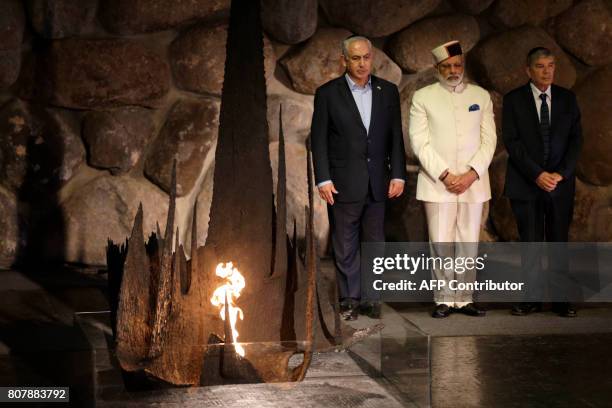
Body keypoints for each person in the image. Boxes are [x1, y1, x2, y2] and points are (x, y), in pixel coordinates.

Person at [311, 35, 407, 321]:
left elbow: (395, 138)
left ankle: (371, 299)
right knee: (345, 244)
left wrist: (399, 174)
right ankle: (349, 299)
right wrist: (323, 178)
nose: (362, 63)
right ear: (344, 60)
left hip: (379, 181)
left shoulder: (388, 91)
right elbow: (319, 140)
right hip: (342, 182)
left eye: (366, 57)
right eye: (356, 58)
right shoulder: (328, 93)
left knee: (375, 242)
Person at [409, 40, 496, 318]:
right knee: (441, 240)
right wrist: (446, 175)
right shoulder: (423, 97)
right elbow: (419, 141)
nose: (453, 70)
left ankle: (465, 298)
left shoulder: (481, 96)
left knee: (469, 239)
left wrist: (471, 174)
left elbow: (489, 140)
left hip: (474, 181)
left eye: (457, 65)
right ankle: (444, 299)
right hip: (438, 183)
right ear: (437, 68)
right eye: (446, 66)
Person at [503, 47, 582, 318]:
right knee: (531, 242)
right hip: (527, 183)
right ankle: (531, 299)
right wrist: (537, 174)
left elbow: (576, 141)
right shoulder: (513, 100)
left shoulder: (567, 99)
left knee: (559, 240)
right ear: (528, 70)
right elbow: (512, 142)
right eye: (540, 66)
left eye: (550, 65)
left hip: (560, 185)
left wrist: (561, 173)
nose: (547, 71)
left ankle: (561, 300)